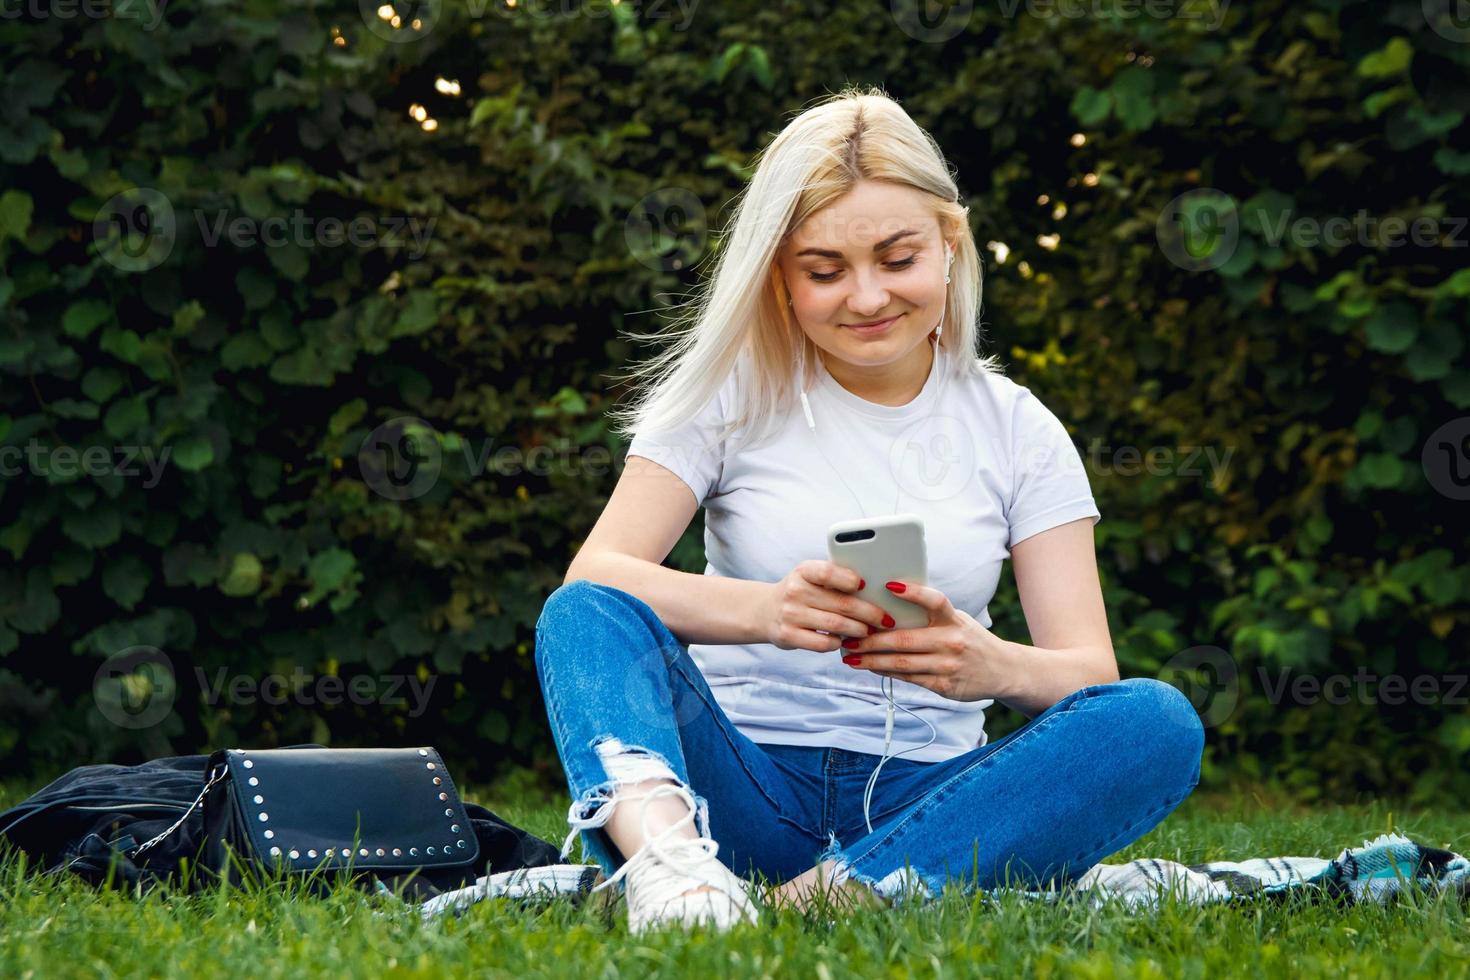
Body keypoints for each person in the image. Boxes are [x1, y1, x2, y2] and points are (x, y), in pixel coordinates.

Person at [533, 85, 1204, 934]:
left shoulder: (1020, 430)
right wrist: (768, 611)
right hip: (740, 793)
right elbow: (599, 575)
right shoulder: (723, 399)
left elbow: (1087, 672)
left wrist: (989, 664)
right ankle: (678, 877)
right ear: (779, 276)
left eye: (897, 260)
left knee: (1155, 720)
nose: (867, 298)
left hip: (929, 800)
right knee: (583, 613)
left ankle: (821, 898)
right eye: (825, 271)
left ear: (950, 245)